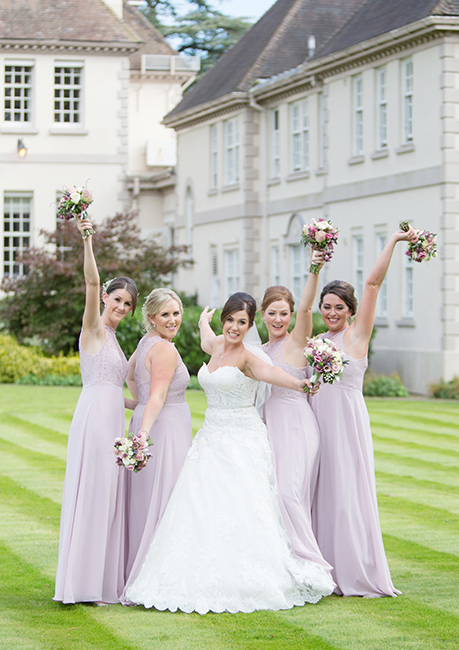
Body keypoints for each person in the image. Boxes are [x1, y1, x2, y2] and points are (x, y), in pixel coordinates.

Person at [125, 292, 335, 614]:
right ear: (223, 320)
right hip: (210, 438)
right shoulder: (216, 346)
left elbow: (272, 373)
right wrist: (201, 323)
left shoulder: (249, 357)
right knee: (199, 507)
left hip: (242, 439)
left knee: (241, 508)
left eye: (242, 322)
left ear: (250, 326)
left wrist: (300, 385)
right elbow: (208, 339)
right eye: (230, 320)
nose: (235, 328)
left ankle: (248, 578)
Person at [311, 224, 418, 597]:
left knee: (346, 491)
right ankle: (322, 568)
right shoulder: (315, 341)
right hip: (316, 422)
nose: (331, 312)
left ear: (351, 311)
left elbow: (372, 284)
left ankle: (354, 569)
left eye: (339, 307)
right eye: (326, 306)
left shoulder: (357, 335)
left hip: (346, 420)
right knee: (319, 490)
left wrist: (394, 240)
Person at [54, 216, 138, 604]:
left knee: (108, 496)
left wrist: (138, 405)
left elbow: (111, 388)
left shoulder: (118, 341)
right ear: (106, 298)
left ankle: (101, 582)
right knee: (92, 494)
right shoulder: (94, 329)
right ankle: (81, 584)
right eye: (117, 298)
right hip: (93, 421)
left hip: (112, 419)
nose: (121, 306)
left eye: (128, 304)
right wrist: (87, 239)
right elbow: (89, 281)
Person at [261, 250, 331, 572]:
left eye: (284, 314)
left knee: (290, 493)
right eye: (273, 313)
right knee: (274, 494)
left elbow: (306, 306)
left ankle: (313, 564)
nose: (278, 319)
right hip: (268, 426)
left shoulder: (297, 342)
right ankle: (286, 565)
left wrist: (315, 265)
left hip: (297, 425)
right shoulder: (258, 352)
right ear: (262, 314)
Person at [123, 288, 192, 589]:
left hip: (149, 420)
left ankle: (141, 571)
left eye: (176, 313)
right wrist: (145, 433)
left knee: (148, 499)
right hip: (164, 429)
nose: (172, 319)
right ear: (151, 317)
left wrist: (137, 408)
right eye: (165, 314)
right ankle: (160, 578)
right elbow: (159, 394)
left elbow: (128, 375)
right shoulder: (164, 349)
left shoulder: (146, 342)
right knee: (168, 499)